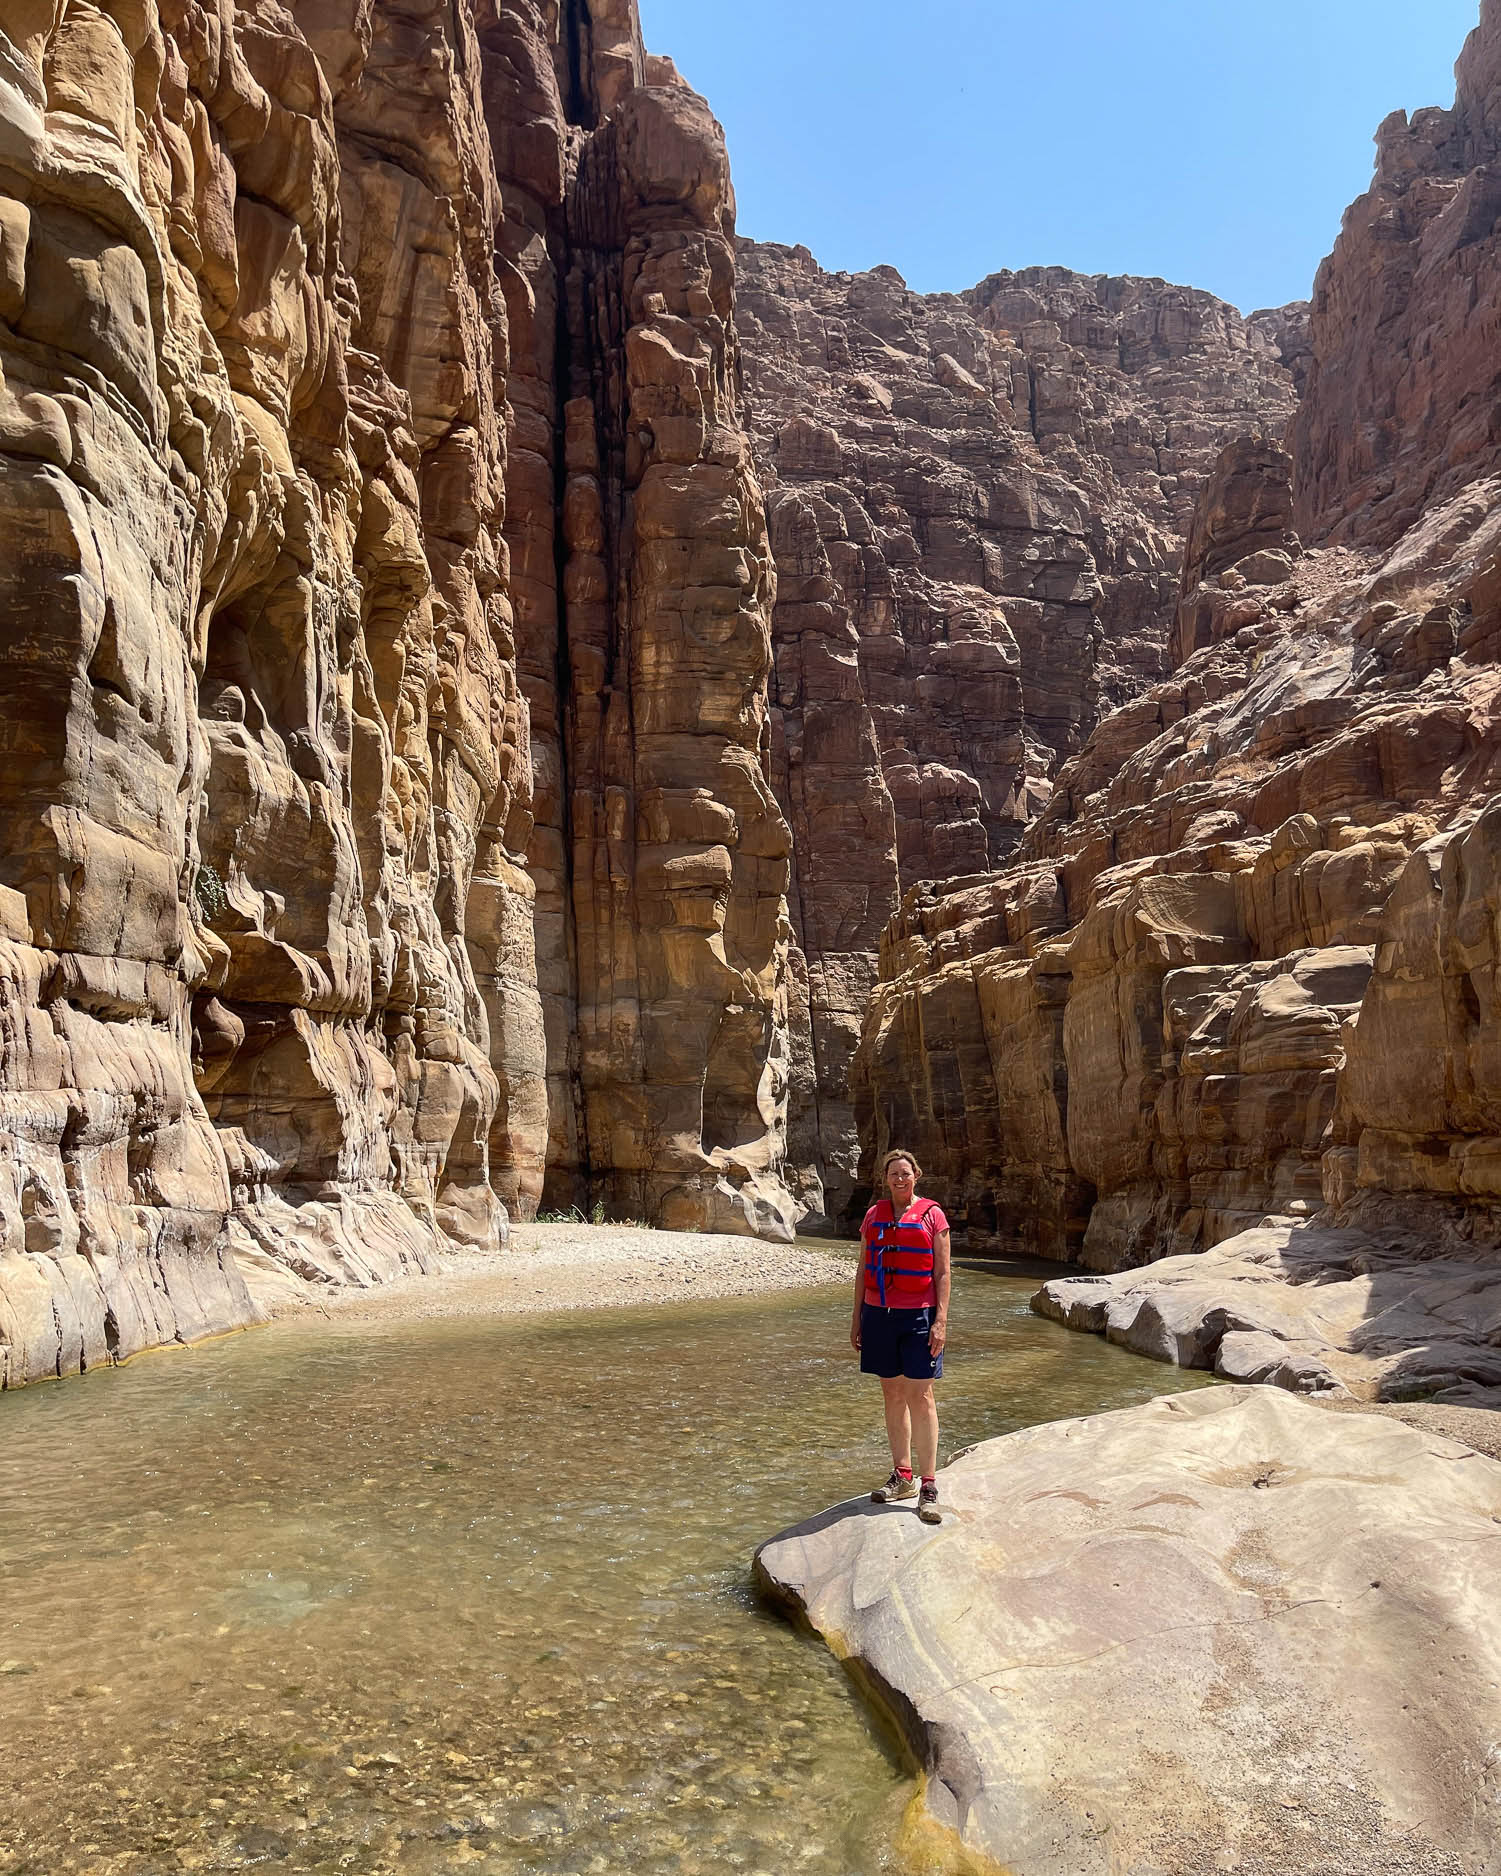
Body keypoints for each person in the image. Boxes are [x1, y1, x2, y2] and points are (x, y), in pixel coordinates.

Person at [850, 1148, 950, 1524]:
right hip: (878, 1315)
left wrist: (940, 1321)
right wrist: (857, 1317)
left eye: (906, 1173)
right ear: (886, 1178)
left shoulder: (932, 1216)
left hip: (920, 1317)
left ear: (916, 1175)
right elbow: (862, 1269)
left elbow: (942, 1273)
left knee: (921, 1395)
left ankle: (928, 1484)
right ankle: (902, 1475)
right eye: (894, 1173)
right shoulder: (873, 1215)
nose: (900, 1179)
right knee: (892, 1393)